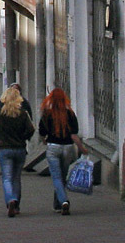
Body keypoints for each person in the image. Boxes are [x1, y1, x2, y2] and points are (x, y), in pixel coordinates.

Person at [39, 87, 88, 216]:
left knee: (56, 177)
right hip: (68, 148)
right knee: (62, 176)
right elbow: (74, 135)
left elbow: (42, 133)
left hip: (53, 147)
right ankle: (58, 204)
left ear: (51, 99)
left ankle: (64, 201)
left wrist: (45, 140)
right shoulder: (70, 114)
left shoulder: (47, 114)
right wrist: (82, 148)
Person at [0, 84, 35, 217]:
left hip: (5, 149)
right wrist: (23, 137)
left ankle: (10, 200)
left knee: (7, 178)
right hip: (20, 148)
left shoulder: (0, 113)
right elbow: (31, 129)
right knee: (16, 178)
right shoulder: (23, 114)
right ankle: (17, 205)